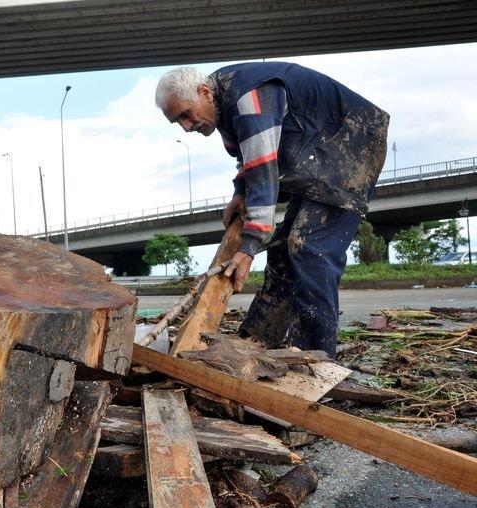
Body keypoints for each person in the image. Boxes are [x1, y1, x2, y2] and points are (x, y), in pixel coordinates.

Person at [155, 62, 389, 357]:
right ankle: (259, 342)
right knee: (283, 250)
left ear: (204, 92)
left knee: (310, 249)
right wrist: (241, 192)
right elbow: (247, 155)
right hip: (315, 156)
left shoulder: (248, 96)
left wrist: (250, 244)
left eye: (186, 115)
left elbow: (264, 170)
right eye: (178, 122)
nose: (187, 127)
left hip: (350, 145)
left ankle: (316, 358)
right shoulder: (222, 101)